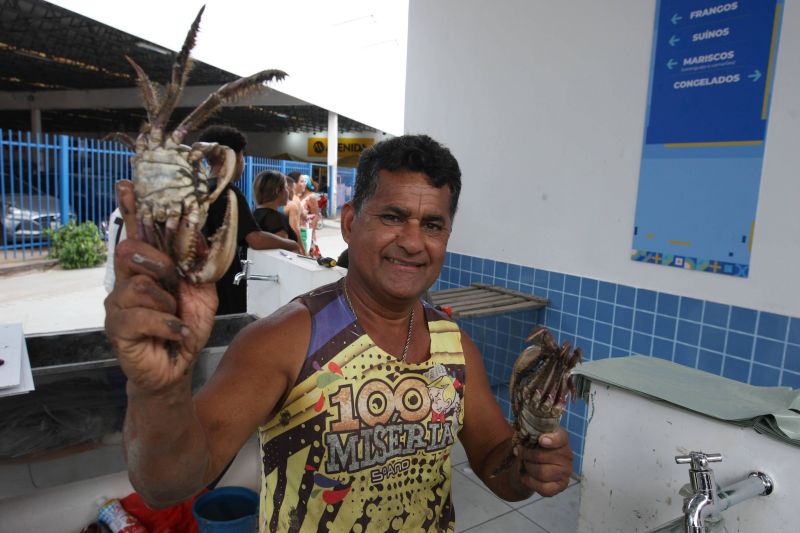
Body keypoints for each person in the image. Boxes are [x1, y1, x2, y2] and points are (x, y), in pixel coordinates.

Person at [104, 134, 573, 532]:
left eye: (432, 225)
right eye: (392, 216)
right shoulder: (285, 341)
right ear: (350, 222)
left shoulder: (455, 346)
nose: (412, 241)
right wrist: (158, 392)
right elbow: (166, 485)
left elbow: (498, 465)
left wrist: (530, 464)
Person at [198, 126, 303, 315]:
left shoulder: (202, 189)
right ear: (236, 156)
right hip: (224, 284)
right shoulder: (229, 193)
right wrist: (290, 243)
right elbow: (256, 239)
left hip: (202, 280)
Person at [252, 169, 303, 252]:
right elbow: (282, 254)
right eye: (286, 187)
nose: (289, 192)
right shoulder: (275, 219)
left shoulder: (253, 215)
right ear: (277, 191)